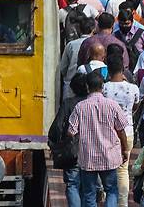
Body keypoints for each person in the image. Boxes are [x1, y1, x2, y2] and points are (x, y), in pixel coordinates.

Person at [67, 72, 128, 207]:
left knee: (89, 193)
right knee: (111, 190)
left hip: (88, 157)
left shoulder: (80, 107)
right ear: (102, 86)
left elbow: (71, 132)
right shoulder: (112, 105)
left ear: (87, 87)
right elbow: (121, 130)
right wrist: (125, 149)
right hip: (109, 156)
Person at [102, 57, 139, 207]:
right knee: (123, 170)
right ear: (123, 70)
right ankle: (122, 203)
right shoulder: (133, 88)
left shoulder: (104, 88)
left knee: (107, 168)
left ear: (108, 71)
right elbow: (135, 107)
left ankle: (108, 200)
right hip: (128, 131)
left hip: (107, 133)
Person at [48, 74, 89, 207]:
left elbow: (58, 126)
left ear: (72, 88)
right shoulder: (94, 103)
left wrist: (54, 144)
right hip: (93, 151)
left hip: (73, 151)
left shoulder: (68, 103)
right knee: (88, 186)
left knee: (72, 184)